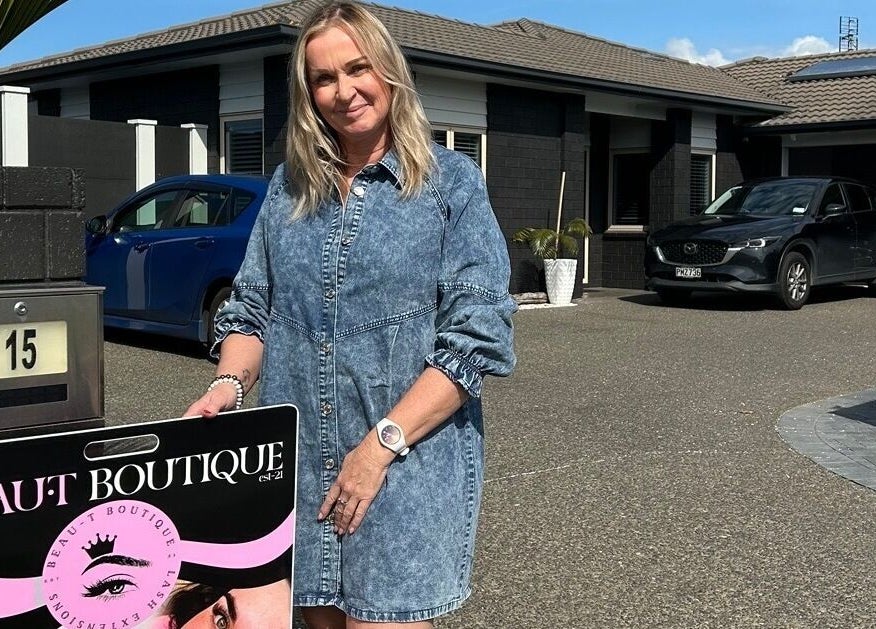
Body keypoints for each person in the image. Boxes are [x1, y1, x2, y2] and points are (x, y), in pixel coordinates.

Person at [184, 1, 516, 627]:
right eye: (324, 78)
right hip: (302, 469)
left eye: (357, 68)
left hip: (405, 468)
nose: (344, 91)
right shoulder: (289, 188)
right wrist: (226, 387)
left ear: (389, 70)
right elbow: (252, 309)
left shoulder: (450, 183)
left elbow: (476, 339)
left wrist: (378, 448)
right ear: (307, 93)